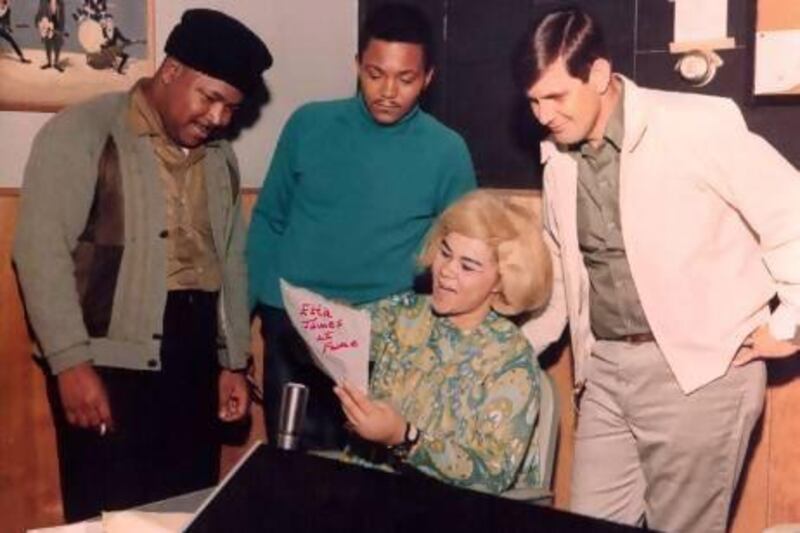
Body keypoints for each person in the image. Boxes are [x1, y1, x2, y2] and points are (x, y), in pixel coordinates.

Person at [517, 7, 800, 533]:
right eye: (533, 101)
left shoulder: (697, 124)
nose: (543, 115)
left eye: (556, 96)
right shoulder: (558, 154)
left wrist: (788, 326)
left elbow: (793, 211)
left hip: (700, 375)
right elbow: (568, 275)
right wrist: (511, 345)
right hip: (604, 373)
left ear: (599, 76)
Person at [14, 9, 271, 522]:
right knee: (106, 515)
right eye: (211, 98)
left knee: (184, 510)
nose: (219, 119)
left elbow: (231, 260)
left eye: (231, 108)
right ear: (171, 70)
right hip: (106, 364)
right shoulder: (80, 132)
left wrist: (232, 362)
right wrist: (70, 362)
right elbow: (39, 252)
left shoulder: (220, 158)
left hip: (193, 358)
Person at [247, 3, 476, 451]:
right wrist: (270, 310)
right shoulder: (308, 124)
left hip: (386, 342)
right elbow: (270, 219)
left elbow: (464, 255)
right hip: (294, 332)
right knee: (294, 479)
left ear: (428, 78)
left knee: (373, 488)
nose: (387, 91)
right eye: (374, 74)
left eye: (405, 79)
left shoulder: (447, 151)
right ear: (357, 66)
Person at [330, 190, 552, 494]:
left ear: (501, 282)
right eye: (445, 253)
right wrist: (321, 321)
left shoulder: (510, 358)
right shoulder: (406, 313)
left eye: (468, 266)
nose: (446, 271)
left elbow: (493, 474)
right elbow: (340, 332)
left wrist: (404, 436)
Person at [36, 0, 65, 72]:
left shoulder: (60, 2)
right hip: (46, 23)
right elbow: (39, 12)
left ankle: (56, 63)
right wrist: (39, 24)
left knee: (57, 44)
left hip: (57, 25)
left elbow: (62, 16)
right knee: (47, 43)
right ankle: (49, 62)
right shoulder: (43, 1)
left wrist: (61, 29)